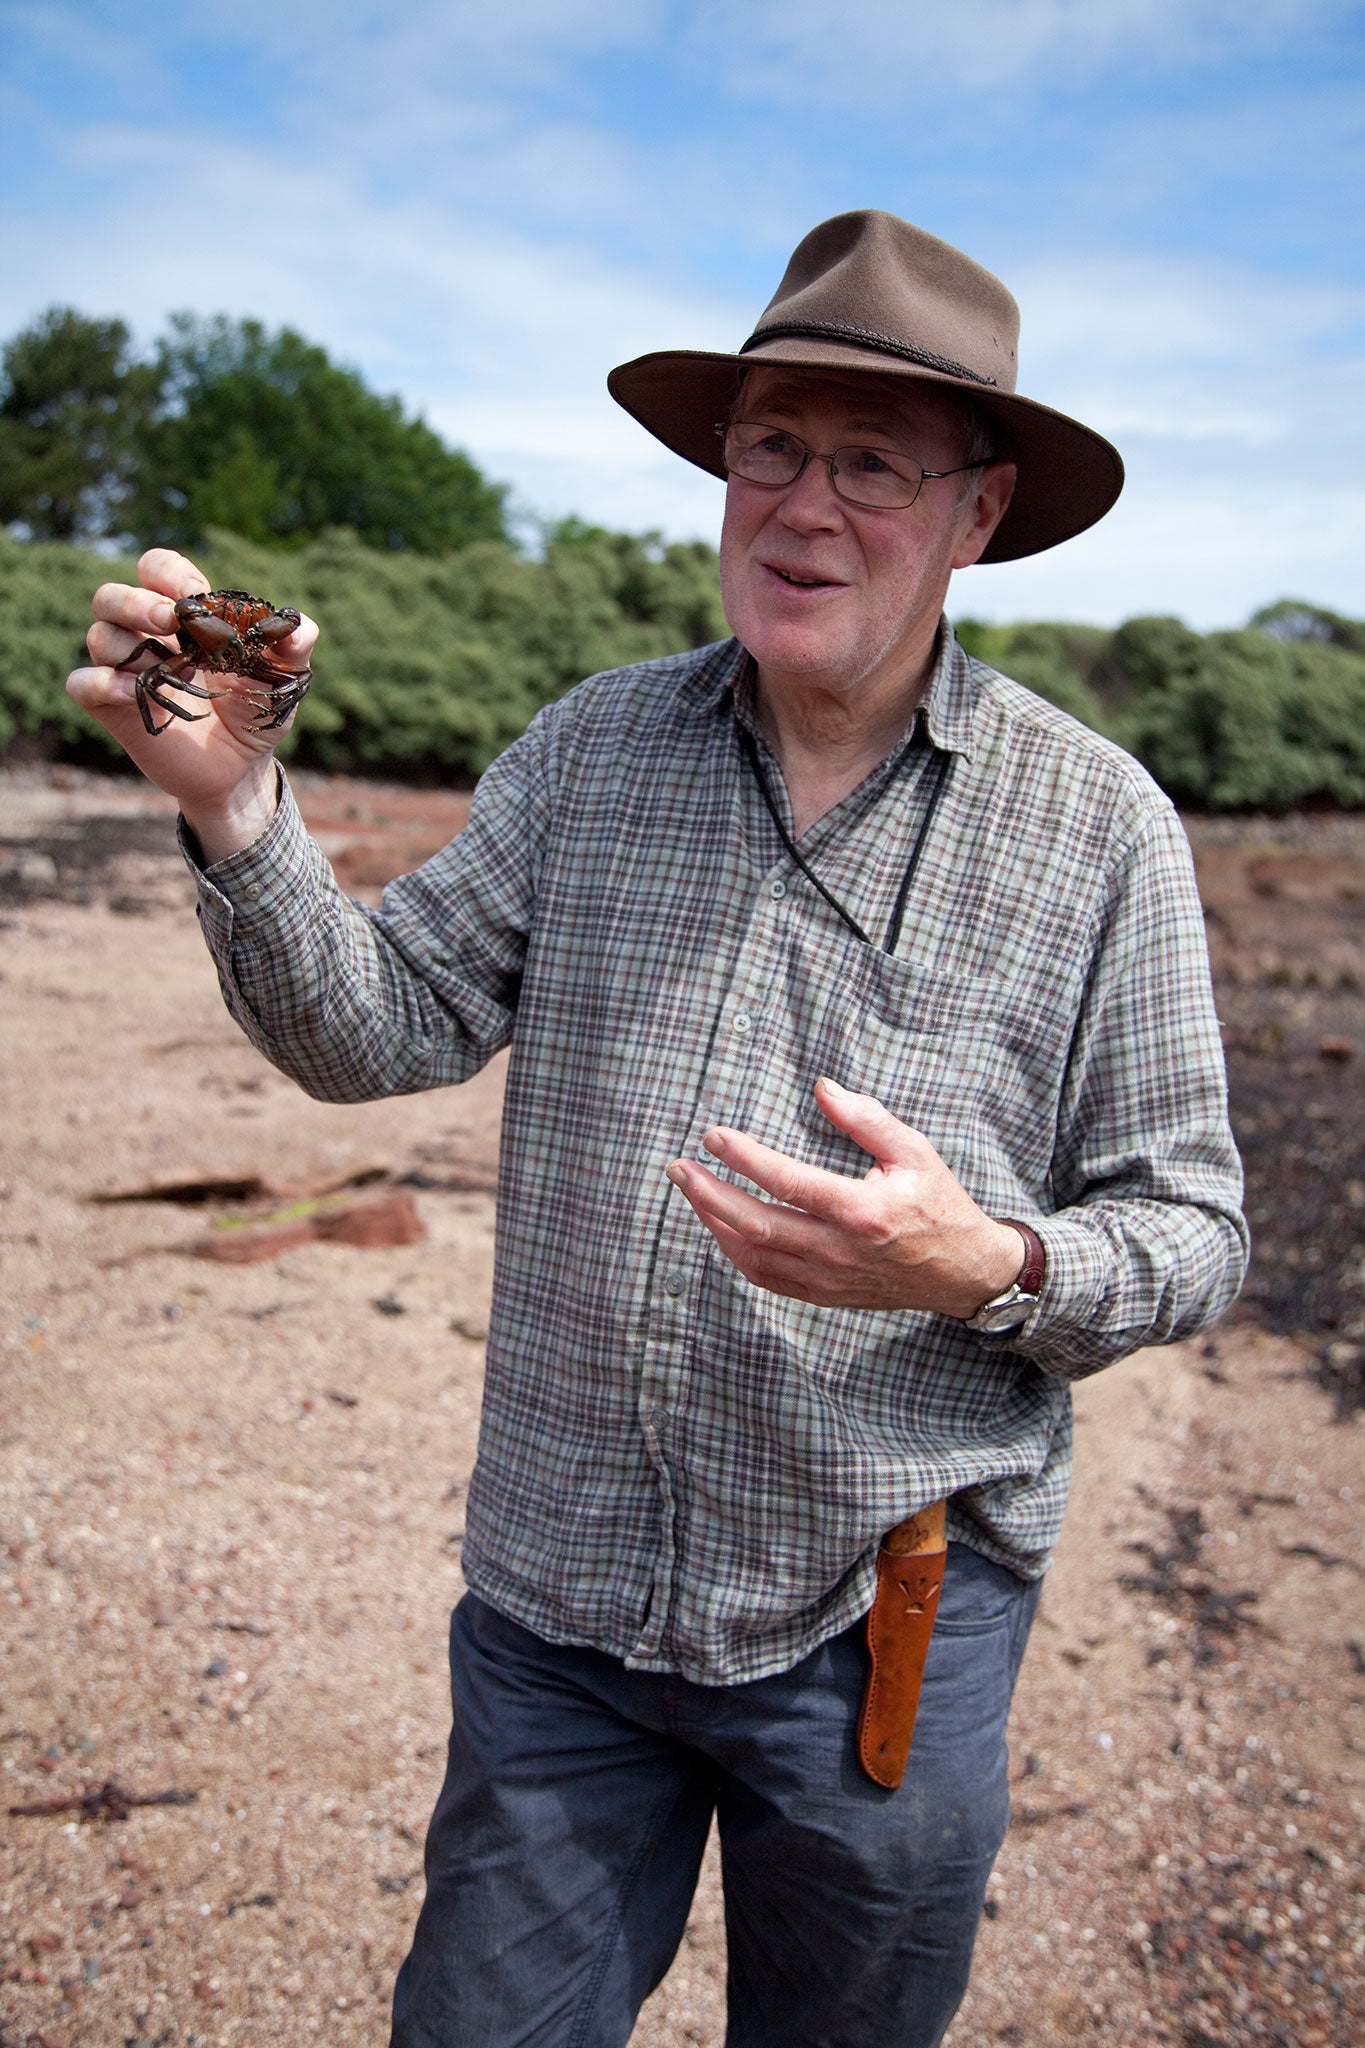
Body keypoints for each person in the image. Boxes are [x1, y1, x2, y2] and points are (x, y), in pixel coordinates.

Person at [69, 209, 1247, 2048]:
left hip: (889, 1619)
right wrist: (237, 810)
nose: (801, 505)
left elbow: (1191, 1228)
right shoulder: (590, 748)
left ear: (980, 512)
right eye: (770, 446)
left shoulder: (1099, 829)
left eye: (873, 462)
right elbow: (380, 1030)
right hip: (561, 1611)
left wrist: (981, 1265)